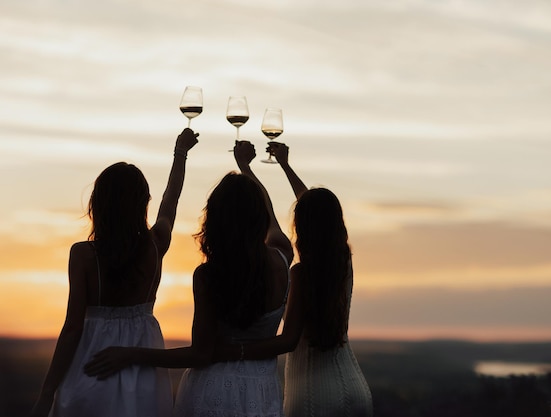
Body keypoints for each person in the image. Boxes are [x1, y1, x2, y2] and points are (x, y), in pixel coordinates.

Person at [84, 140, 294, 417]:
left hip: (210, 393)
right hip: (262, 393)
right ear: (260, 217)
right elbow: (268, 211)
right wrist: (246, 167)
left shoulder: (209, 275)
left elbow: (199, 355)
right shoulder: (282, 257)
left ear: (215, 219)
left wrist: (131, 354)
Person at [30, 128, 199, 417]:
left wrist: (47, 392)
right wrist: (180, 153)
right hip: (143, 373)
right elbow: (171, 201)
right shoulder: (156, 245)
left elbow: (72, 328)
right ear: (142, 203)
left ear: (99, 203)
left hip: (91, 365)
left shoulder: (84, 254)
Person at [212, 142, 373, 416]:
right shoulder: (344, 263)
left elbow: (287, 341)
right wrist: (285, 165)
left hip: (312, 398)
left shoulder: (300, 273)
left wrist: (233, 351)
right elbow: (315, 210)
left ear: (301, 227)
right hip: (356, 390)